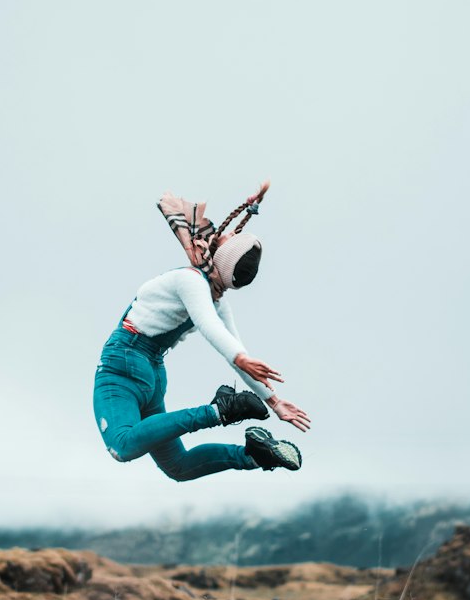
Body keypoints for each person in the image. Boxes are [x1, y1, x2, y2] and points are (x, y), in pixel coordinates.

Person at [93, 184, 311, 482]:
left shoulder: (191, 281)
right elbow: (232, 349)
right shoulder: (214, 295)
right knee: (178, 467)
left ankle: (217, 412)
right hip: (151, 373)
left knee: (122, 446)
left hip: (124, 364)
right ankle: (255, 455)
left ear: (221, 256)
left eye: (230, 238)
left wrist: (240, 363)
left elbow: (209, 326)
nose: (228, 233)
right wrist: (273, 402)